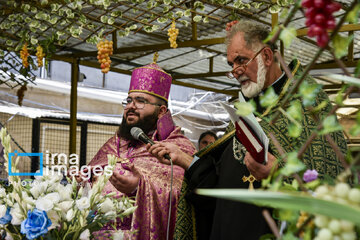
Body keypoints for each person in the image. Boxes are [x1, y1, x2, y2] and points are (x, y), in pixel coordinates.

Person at [148, 19, 347, 240]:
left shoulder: (308, 104)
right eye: (231, 64)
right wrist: (186, 160)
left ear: (267, 57)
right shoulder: (244, 111)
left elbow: (331, 182)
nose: (236, 71)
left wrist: (277, 173)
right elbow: (223, 180)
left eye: (241, 60)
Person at [85, 62, 196, 239]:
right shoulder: (114, 144)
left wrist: (139, 187)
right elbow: (93, 172)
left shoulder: (179, 147)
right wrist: (84, 178)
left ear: (161, 111)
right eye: (129, 100)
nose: (131, 106)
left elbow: (184, 195)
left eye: (141, 101)